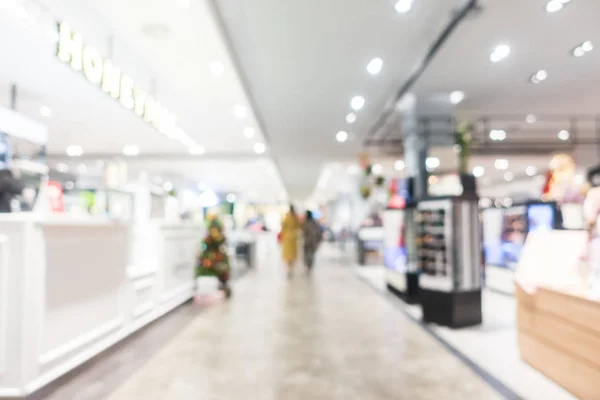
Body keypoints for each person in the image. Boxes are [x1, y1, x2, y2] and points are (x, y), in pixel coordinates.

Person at [281, 205, 300, 276]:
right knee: (292, 255)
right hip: (293, 238)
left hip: (287, 238)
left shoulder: (286, 217)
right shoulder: (295, 217)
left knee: (288, 255)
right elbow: (298, 226)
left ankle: (289, 269)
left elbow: (283, 227)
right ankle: (290, 268)